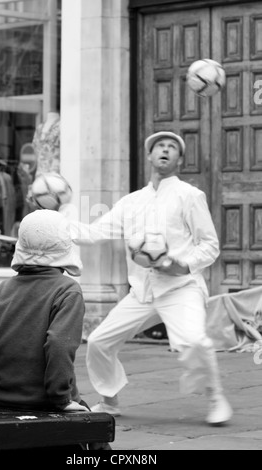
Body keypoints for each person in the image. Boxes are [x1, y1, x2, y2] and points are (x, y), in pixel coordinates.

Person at [66, 131, 233, 426]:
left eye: (172, 148)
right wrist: (52, 220)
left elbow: (209, 245)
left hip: (181, 288)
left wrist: (182, 265)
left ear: (179, 160)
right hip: (142, 292)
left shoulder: (189, 196)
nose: (165, 151)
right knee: (98, 342)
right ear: (150, 156)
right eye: (159, 147)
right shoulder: (131, 202)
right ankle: (109, 401)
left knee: (196, 341)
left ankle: (215, 397)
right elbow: (93, 233)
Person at [0, 209, 88, 413]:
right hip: (48, 403)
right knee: (97, 438)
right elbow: (58, 344)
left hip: (4, 399)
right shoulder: (67, 290)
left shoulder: (1, 290)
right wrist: (62, 398)